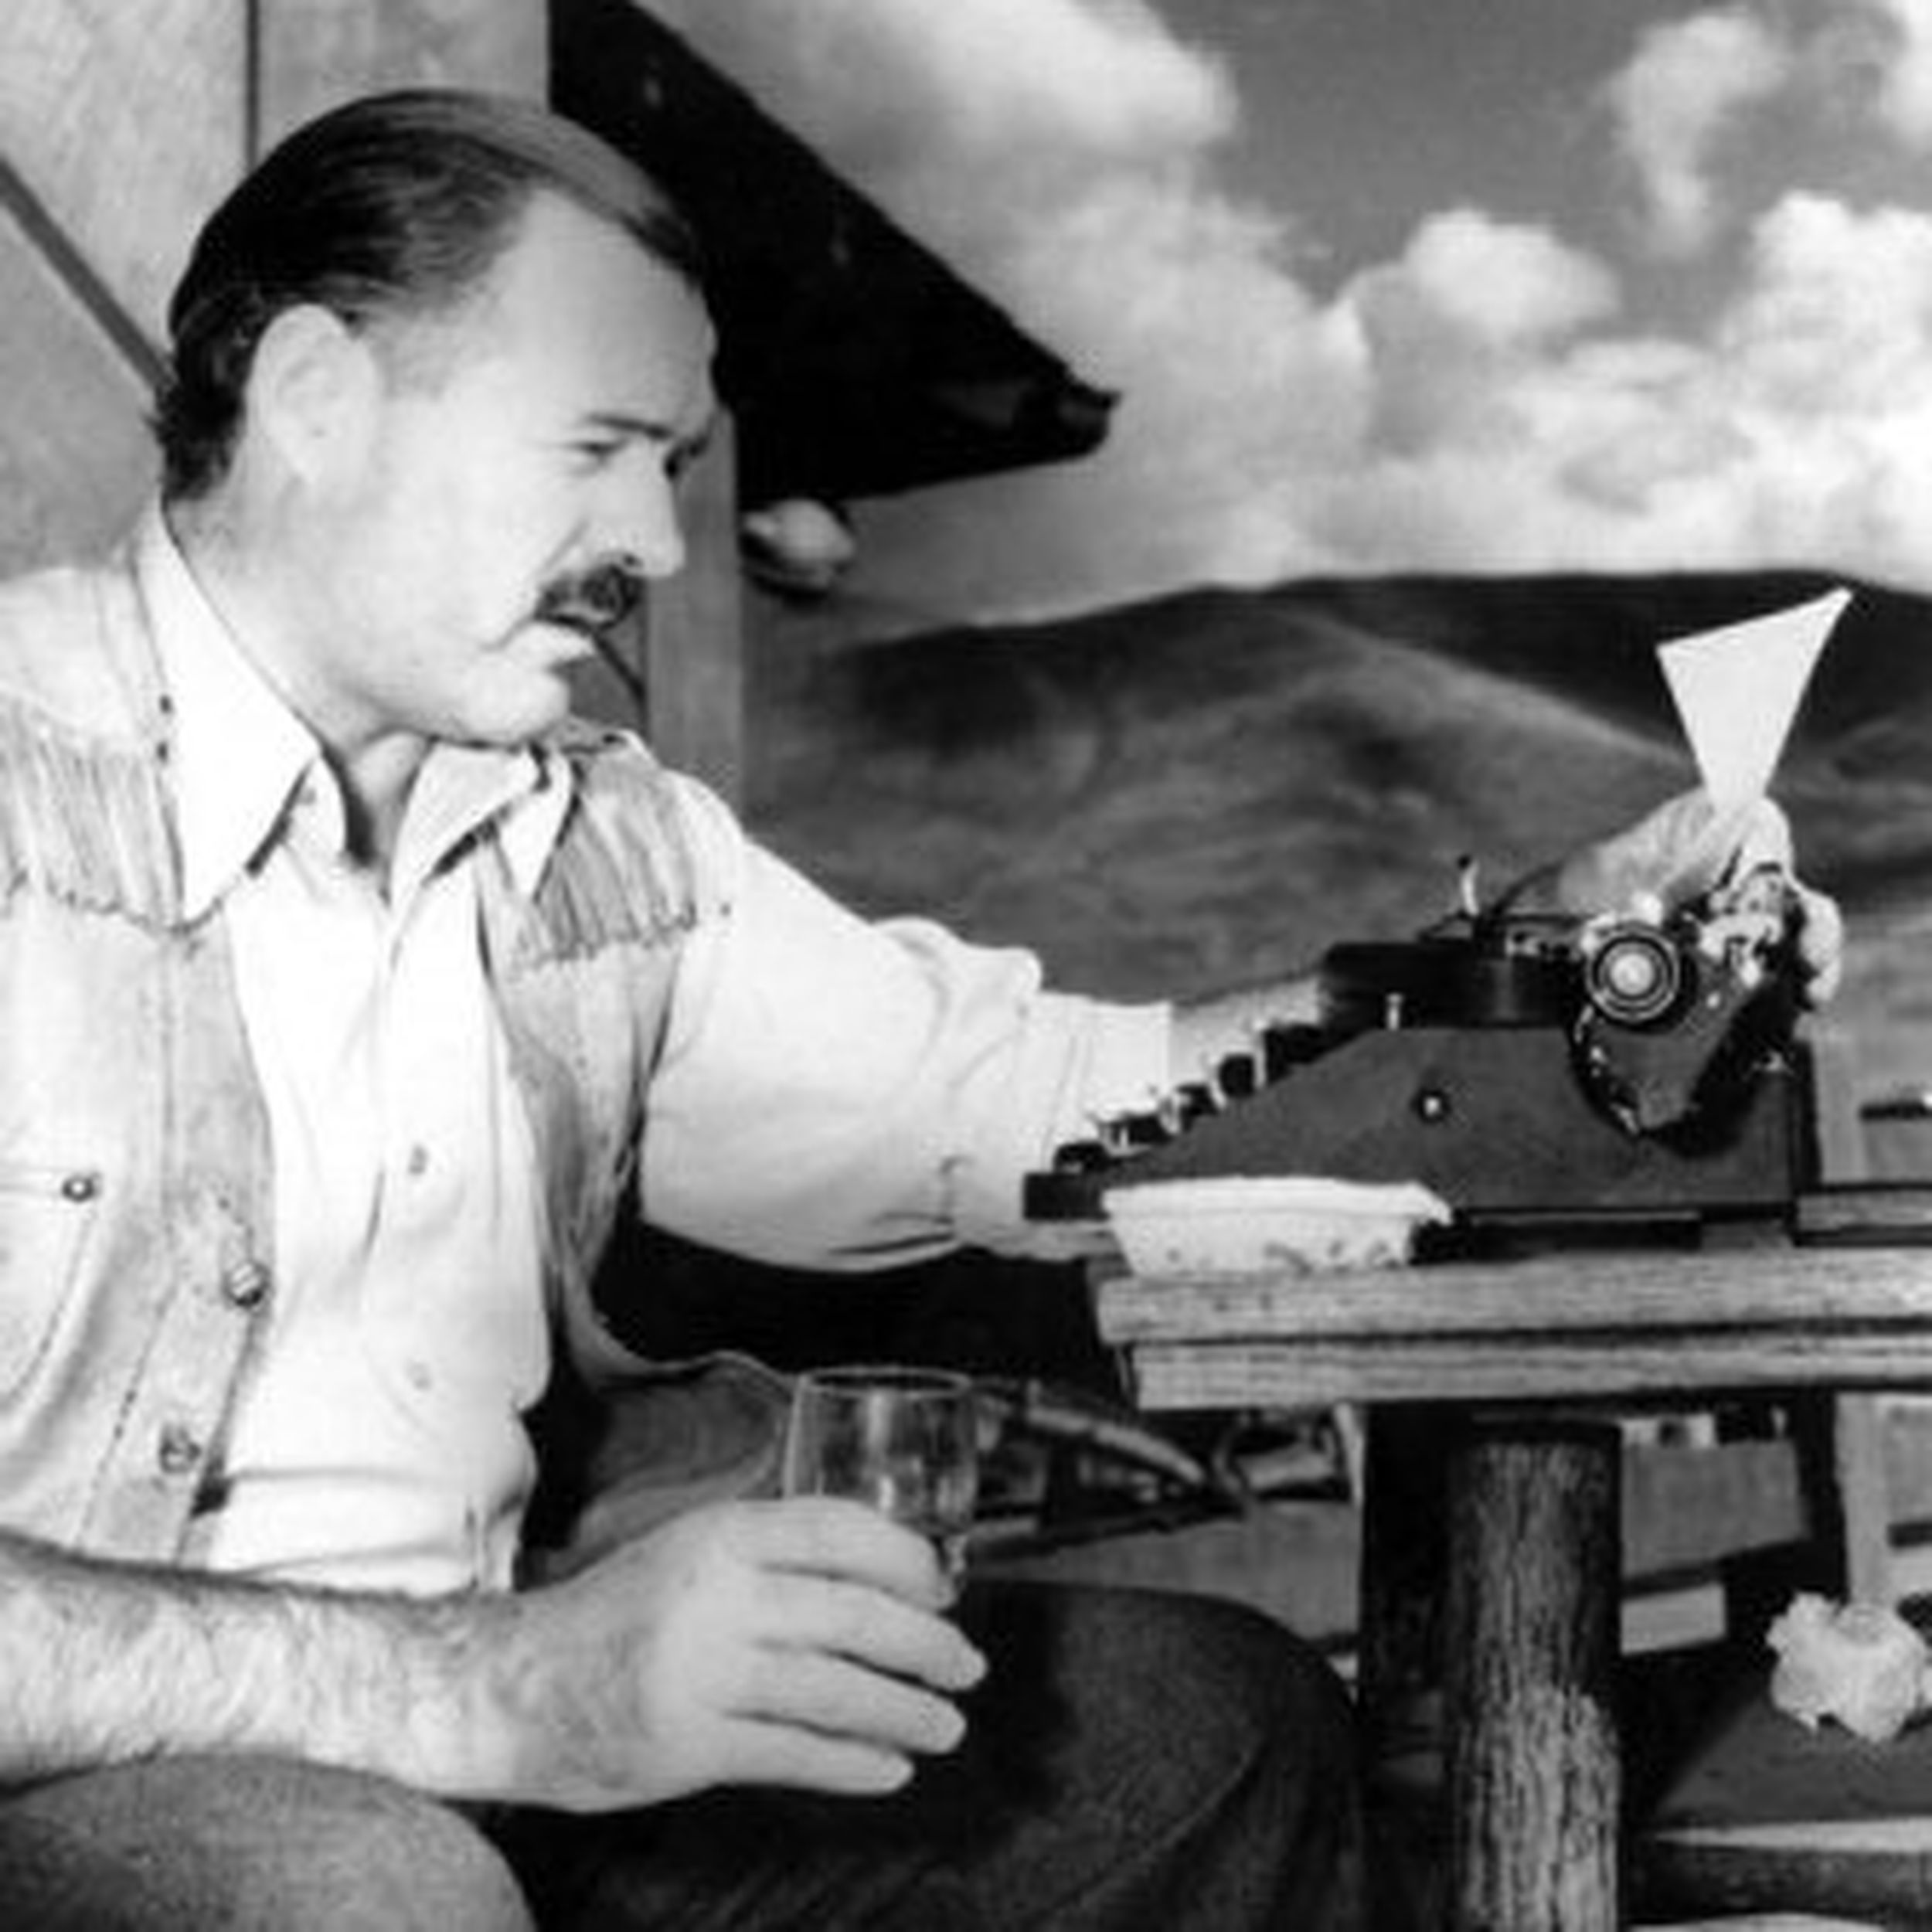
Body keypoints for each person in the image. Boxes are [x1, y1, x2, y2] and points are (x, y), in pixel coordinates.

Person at [0, 89, 1838, 1932]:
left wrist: (1509, 965)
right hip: (111, 1779)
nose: (650, 534)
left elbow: (1054, 1097)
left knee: (1217, 1725)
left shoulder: (600, 843)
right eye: (596, 445)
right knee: (351, 1897)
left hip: (546, 1718)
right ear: (317, 396)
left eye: (672, 459)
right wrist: (492, 1691)